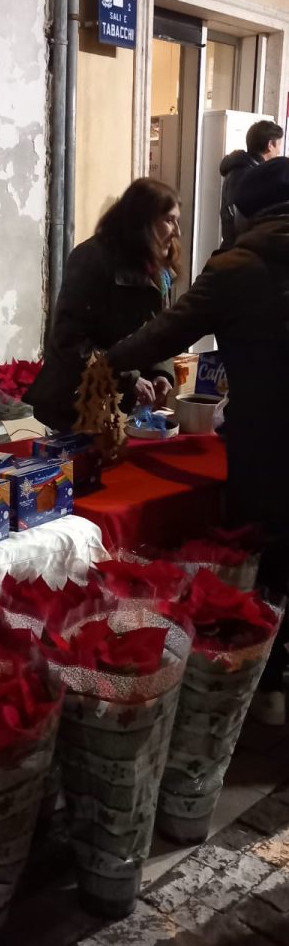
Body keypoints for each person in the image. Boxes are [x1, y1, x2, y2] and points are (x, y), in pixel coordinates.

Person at [103, 156, 289, 726]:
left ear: (243, 213)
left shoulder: (238, 267)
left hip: (269, 443)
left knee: (264, 557)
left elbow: (167, 331)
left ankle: (262, 688)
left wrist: (102, 364)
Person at [26, 178, 181, 432]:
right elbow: (70, 341)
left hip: (122, 408)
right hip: (78, 404)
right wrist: (129, 379)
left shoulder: (156, 268)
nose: (177, 232)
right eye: (169, 220)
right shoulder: (92, 258)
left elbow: (159, 330)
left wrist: (161, 373)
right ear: (142, 220)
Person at [219, 119, 283, 250]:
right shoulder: (243, 174)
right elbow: (241, 220)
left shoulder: (249, 170)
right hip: (239, 250)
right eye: (278, 145)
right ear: (270, 145)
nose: (279, 151)